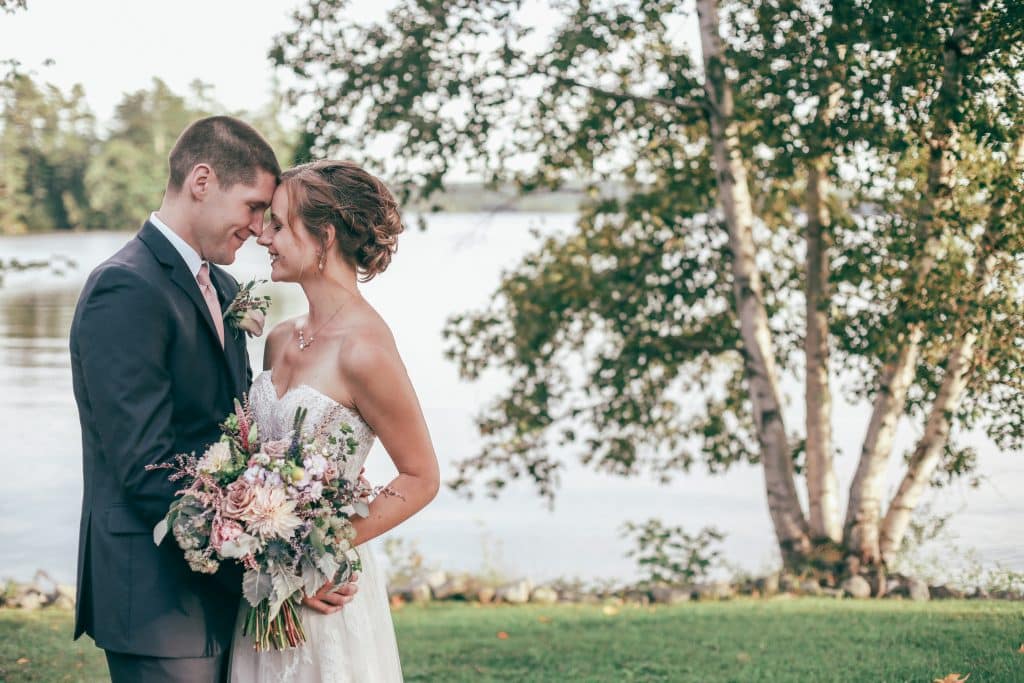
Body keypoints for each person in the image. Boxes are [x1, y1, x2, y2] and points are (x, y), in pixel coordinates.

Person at [70, 117, 359, 683]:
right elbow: (147, 467)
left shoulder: (223, 289)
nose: (258, 229)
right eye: (253, 207)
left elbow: (234, 436)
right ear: (201, 180)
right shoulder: (126, 288)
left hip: (219, 595)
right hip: (158, 603)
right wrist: (272, 570)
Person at [229, 160, 440, 682]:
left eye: (279, 224)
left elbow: (420, 476)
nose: (263, 236)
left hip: (326, 593)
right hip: (265, 589)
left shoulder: (365, 347)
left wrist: (321, 553)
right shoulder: (279, 337)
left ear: (323, 237)